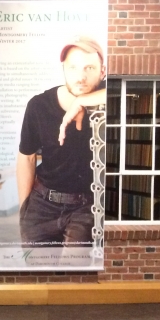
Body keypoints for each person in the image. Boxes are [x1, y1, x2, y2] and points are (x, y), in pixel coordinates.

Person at [17, 35, 106, 248]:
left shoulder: (108, 104)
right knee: (37, 277)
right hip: (42, 204)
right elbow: (26, 159)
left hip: (85, 207)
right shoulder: (38, 105)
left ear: (103, 72)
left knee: (74, 276)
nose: (80, 76)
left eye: (89, 68)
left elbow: (126, 88)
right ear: (64, 69)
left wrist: (82, 101)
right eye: (73, 67)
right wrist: (24, 209)